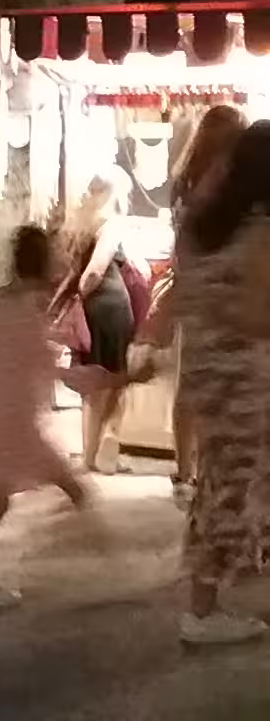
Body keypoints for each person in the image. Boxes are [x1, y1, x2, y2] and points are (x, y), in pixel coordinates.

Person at [0, 226, 149, 616]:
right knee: (76, 491)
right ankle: (123, 574)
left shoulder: (1, 302)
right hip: (19, 429)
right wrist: (128, 378)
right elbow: (69, 377)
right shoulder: (32, 314)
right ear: (43, 262)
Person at [162, 120, 270, 644]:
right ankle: (203, 613)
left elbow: (179, 296)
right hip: (247, 384)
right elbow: (257, 316)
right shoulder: (260, 232)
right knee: (231, 496)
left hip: (209, 377)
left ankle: (204, 604)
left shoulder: (202, 225)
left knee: (217, 491)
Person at [167, 104, 246, 507]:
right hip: (226, 290)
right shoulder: (232, 184)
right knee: (222, 384)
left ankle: (184, 472)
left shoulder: (185, 181)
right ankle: (211, 471)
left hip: (193, 289)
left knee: (191, 381)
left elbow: (181, 246)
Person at [60, 167, 144, 474]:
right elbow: (94, 271)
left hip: (93, 309)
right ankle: (108, 444)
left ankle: (89, 454)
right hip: (110, 306)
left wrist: (71, 300)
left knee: (92, 385)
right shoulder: (111, 225)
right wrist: (85, 290)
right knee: (114, 379)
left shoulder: (82, 225)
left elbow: (72, 272)